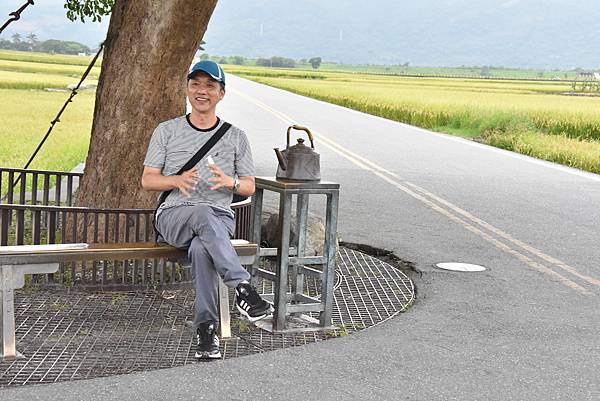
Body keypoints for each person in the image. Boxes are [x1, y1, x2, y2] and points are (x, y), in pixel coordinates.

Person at [141, 60, 272, 360]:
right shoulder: (167, 131)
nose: (202, 91)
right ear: (187, 89)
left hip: (219, 220)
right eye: (196, 84)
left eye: (210, 86)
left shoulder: (236, 136)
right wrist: (176, 180)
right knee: (201, 213)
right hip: (174, 216)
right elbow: (148, 180)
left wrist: (230, 182)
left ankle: (206, 332)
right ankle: (242, 287)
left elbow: (249, 186)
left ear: (221, 94)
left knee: (202, 249)